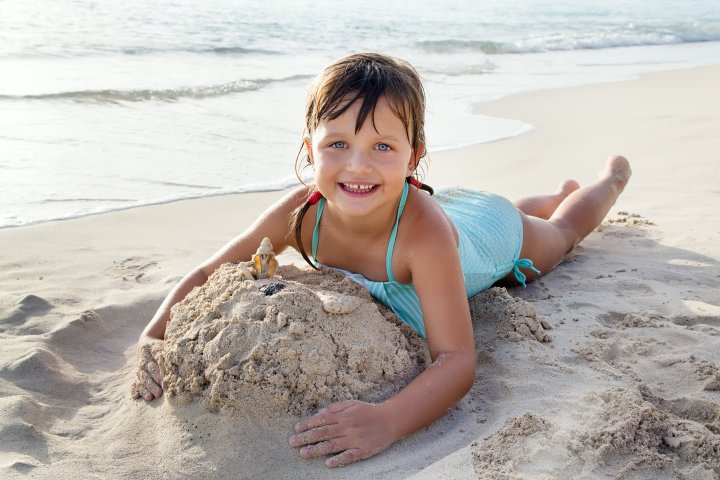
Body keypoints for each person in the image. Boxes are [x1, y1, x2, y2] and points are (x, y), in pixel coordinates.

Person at [131, 52, 631, 468]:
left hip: (489, 236)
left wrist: (387, 420)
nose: (358, 165)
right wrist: (153, 335)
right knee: (520, 209)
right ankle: (547, 196)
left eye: (383, 146)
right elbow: (207, 273)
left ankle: (607, 182)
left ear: (414, 156)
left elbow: (457, 361)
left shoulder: (425, 236)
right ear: (310, 148)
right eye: (338, 144)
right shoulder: (301, 213)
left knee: (558, 237)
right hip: (445, 205)